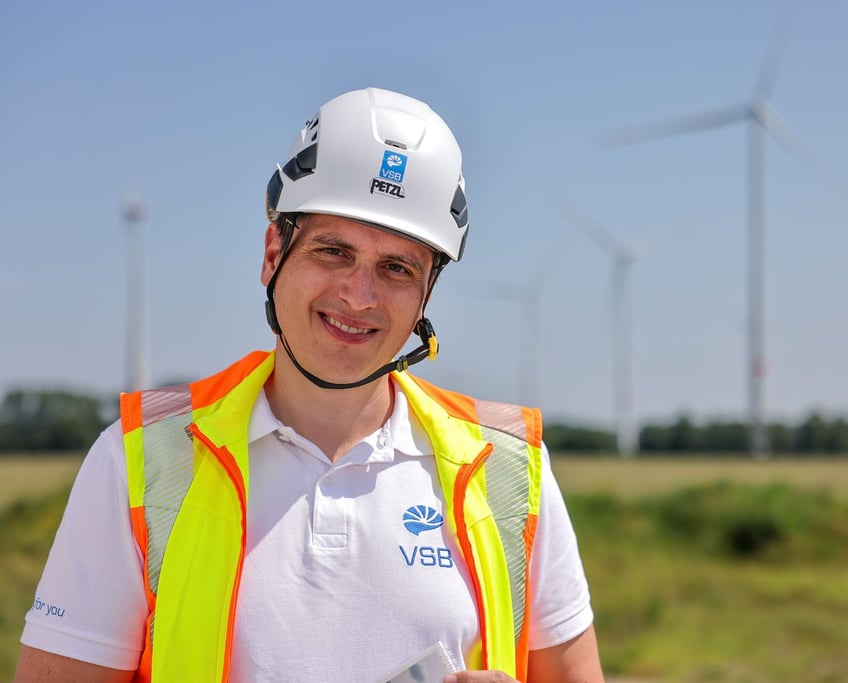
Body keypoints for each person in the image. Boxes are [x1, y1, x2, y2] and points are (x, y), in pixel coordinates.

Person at [15, 87, 604, 682]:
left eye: (397, 268)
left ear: (427, 292)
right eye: (333, 252)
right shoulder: (143, 458)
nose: (359, 295)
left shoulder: (508, 470)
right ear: (274, 253)